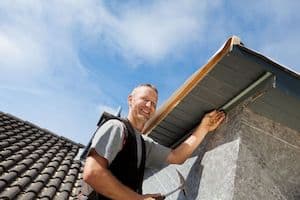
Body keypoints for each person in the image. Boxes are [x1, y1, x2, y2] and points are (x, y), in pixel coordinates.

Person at [82, 84, 225, 200]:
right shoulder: (117, 127)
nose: (149, 106)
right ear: (130, 100)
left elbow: (177, 157)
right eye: (144, 99)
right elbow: (93, 173)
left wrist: (204, 128)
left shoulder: (144, 144)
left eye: (154, 103)